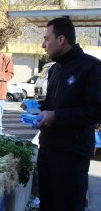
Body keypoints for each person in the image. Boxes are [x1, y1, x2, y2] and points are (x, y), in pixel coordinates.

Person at [21, 17, 101, 211]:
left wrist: (56, 117)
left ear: (61, 39)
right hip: (48, 149)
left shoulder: (91, 67)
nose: (43, 44)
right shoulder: (55, 69)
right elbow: (55, 104)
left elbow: (96, 111)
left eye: (46, 39)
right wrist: (37, 107)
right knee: (47, 204)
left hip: (71, 155)